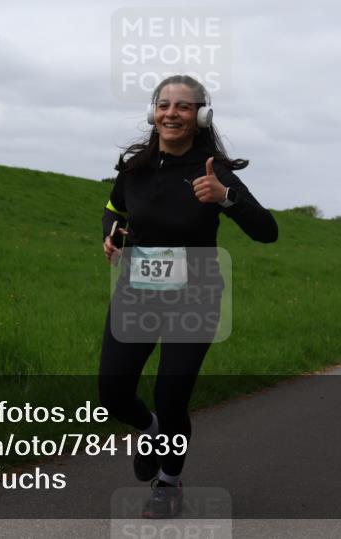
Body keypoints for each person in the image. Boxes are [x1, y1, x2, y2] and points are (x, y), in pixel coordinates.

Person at [99, 75, 278, 518]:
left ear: (201, 116)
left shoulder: (213, 169)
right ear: (152, 112)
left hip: (194, 295)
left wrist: (226, 198)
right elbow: (114, 209)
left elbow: (267, 232)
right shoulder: (135, 165)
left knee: (171, 394)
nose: (171, 113)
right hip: (137, 291)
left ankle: (169, 483)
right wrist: (112, 236)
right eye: (164, 105)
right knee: (113, 391)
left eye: (183, 106)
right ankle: (152, 430)